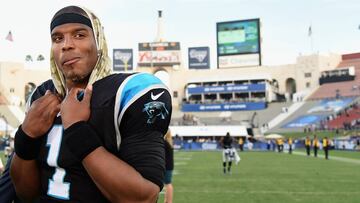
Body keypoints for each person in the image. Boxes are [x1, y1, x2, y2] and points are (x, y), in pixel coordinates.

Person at [10, 6, 172, 203]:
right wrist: (26, 136)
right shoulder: (41, 95)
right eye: (58, 38)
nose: (66, 45)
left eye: (79, 35)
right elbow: (25, 194)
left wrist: (77, 130)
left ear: (98, 42)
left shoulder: (129, 91)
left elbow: (142, 197)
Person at [164, 130, 174, 203]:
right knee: (168, 183)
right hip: (169, 166)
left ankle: (169, 201)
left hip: (167, 166)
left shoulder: (165, 143)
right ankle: (167, 201)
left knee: (168, 183)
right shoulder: (168, 142)